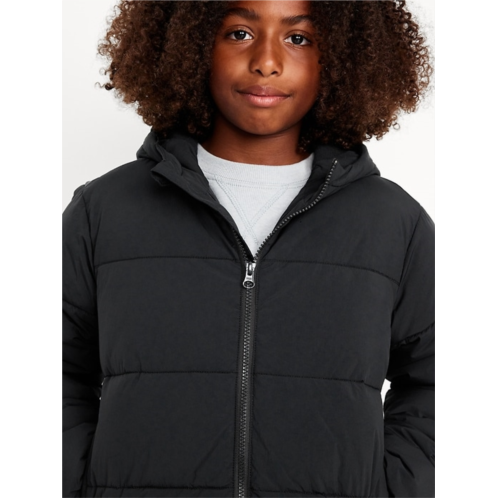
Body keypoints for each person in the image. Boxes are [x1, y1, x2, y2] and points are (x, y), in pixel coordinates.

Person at [62, 1, 435, 497]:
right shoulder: (103, 211)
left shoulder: (393, 223)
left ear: (343, 58)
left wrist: (399, 487)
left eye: (298, 38)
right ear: (192, 45)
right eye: (239, 33)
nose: (266, 62)